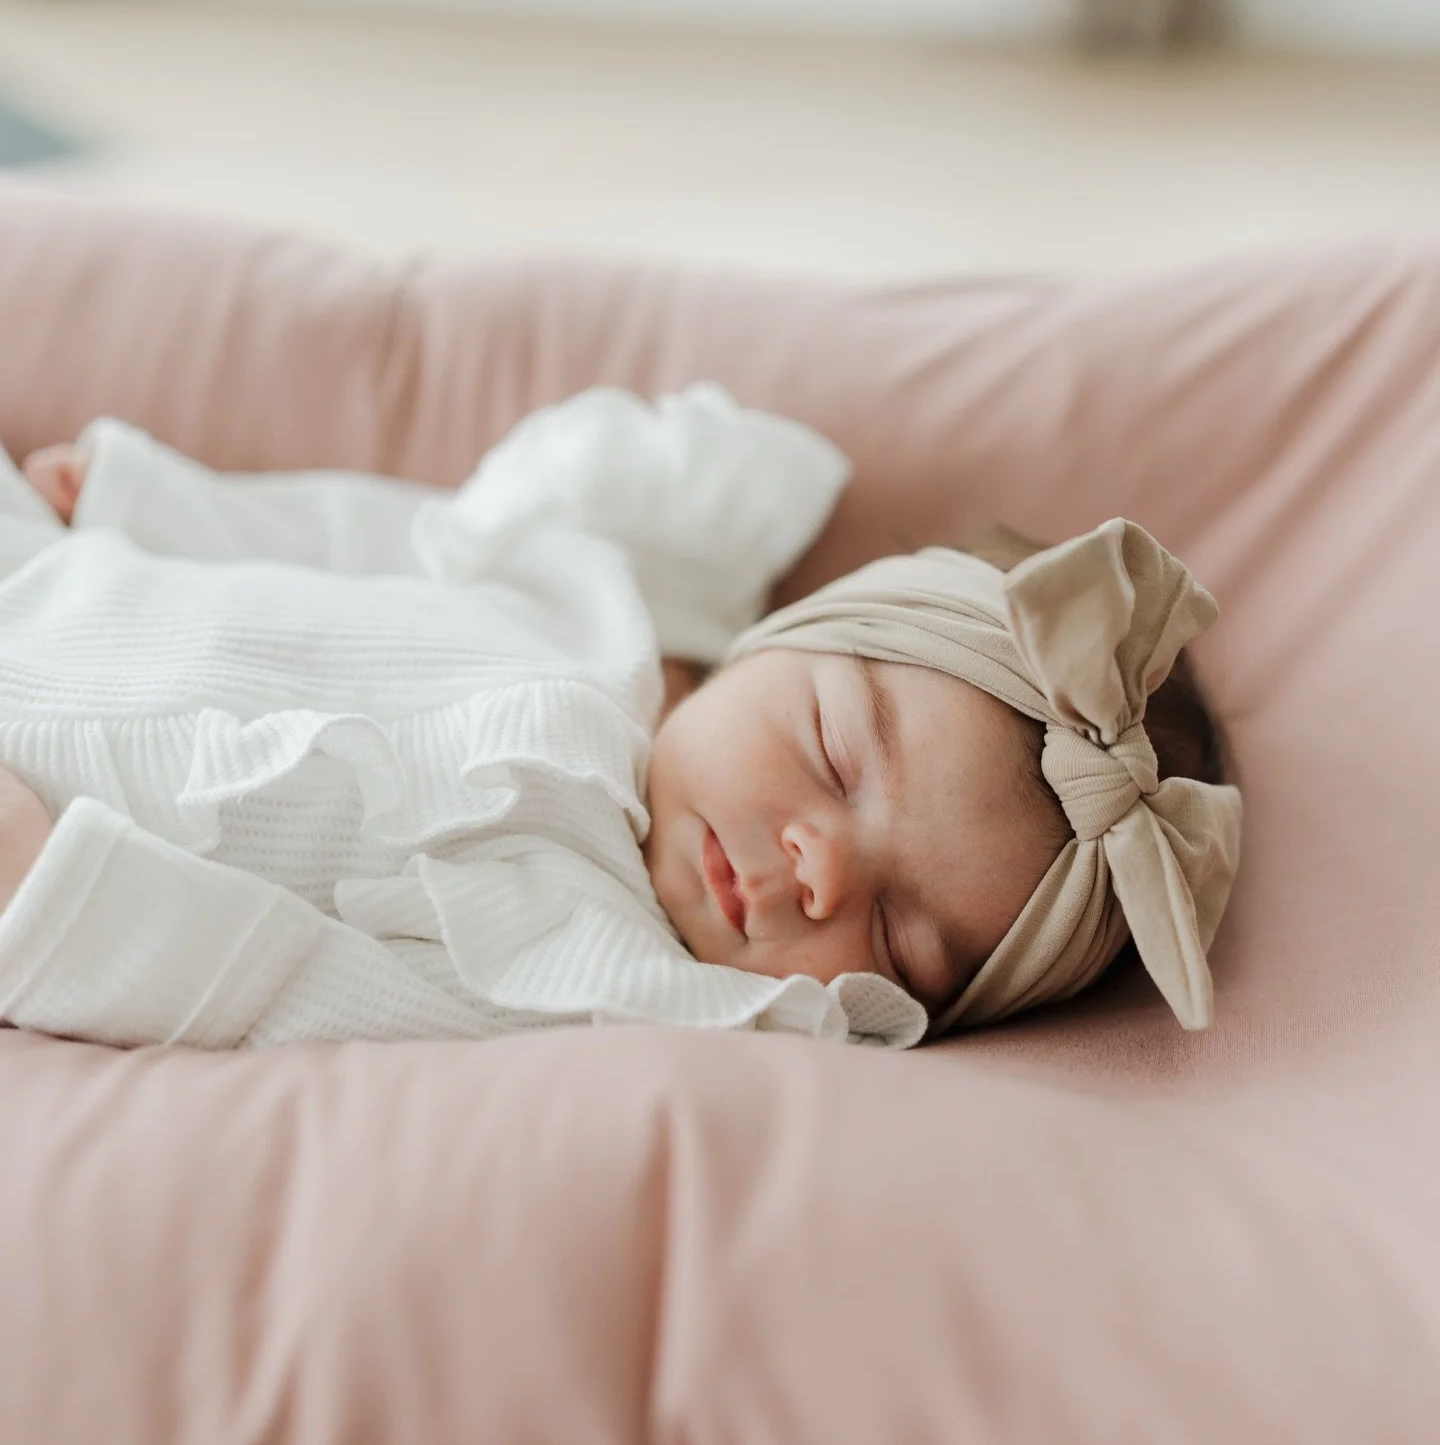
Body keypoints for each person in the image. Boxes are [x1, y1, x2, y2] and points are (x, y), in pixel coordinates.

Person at [1, 385, 1240, 1052]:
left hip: (39, 817)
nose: (821, 867)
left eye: (898, 939)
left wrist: (56, 906)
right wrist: (151, 503)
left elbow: (304, 992)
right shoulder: (602, 600)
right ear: (787, 630)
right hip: (45, 580)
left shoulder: (601, 972)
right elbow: (372, 544)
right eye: (832, 751)